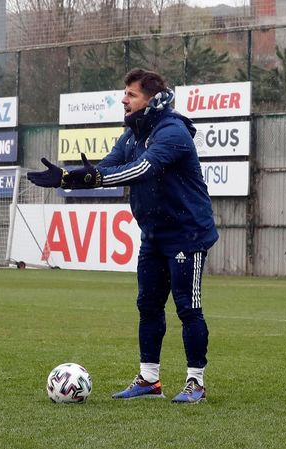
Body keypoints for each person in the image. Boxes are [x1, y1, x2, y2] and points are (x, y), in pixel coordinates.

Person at [27, 68, 218, 403]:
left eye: (131, 94)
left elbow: (142, 169)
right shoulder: (131, 134)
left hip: (187, 234)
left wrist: (94, 179)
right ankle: (149, 380)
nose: (123, 99)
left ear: (154, 100)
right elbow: (107, 166)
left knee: (188, 309)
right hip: (154, 234)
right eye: (124, 93)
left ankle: (196, 383)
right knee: (147, 306)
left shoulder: (172, 131)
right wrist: (67, 179)